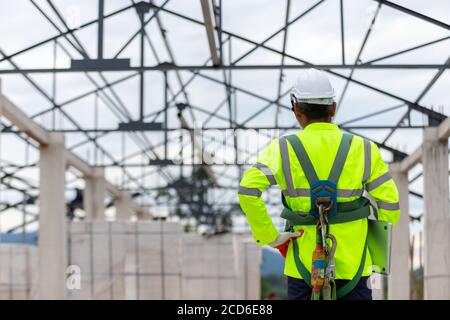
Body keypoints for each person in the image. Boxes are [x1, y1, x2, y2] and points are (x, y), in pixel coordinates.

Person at [237, 68, 400, 300]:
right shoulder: (365, 149)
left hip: (303, 270)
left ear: (296, 109)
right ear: (333, 107)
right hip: (355, 268)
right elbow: (391, 205)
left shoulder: (282, 149)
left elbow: (247, 191)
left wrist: (270, 236)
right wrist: (372, 246)